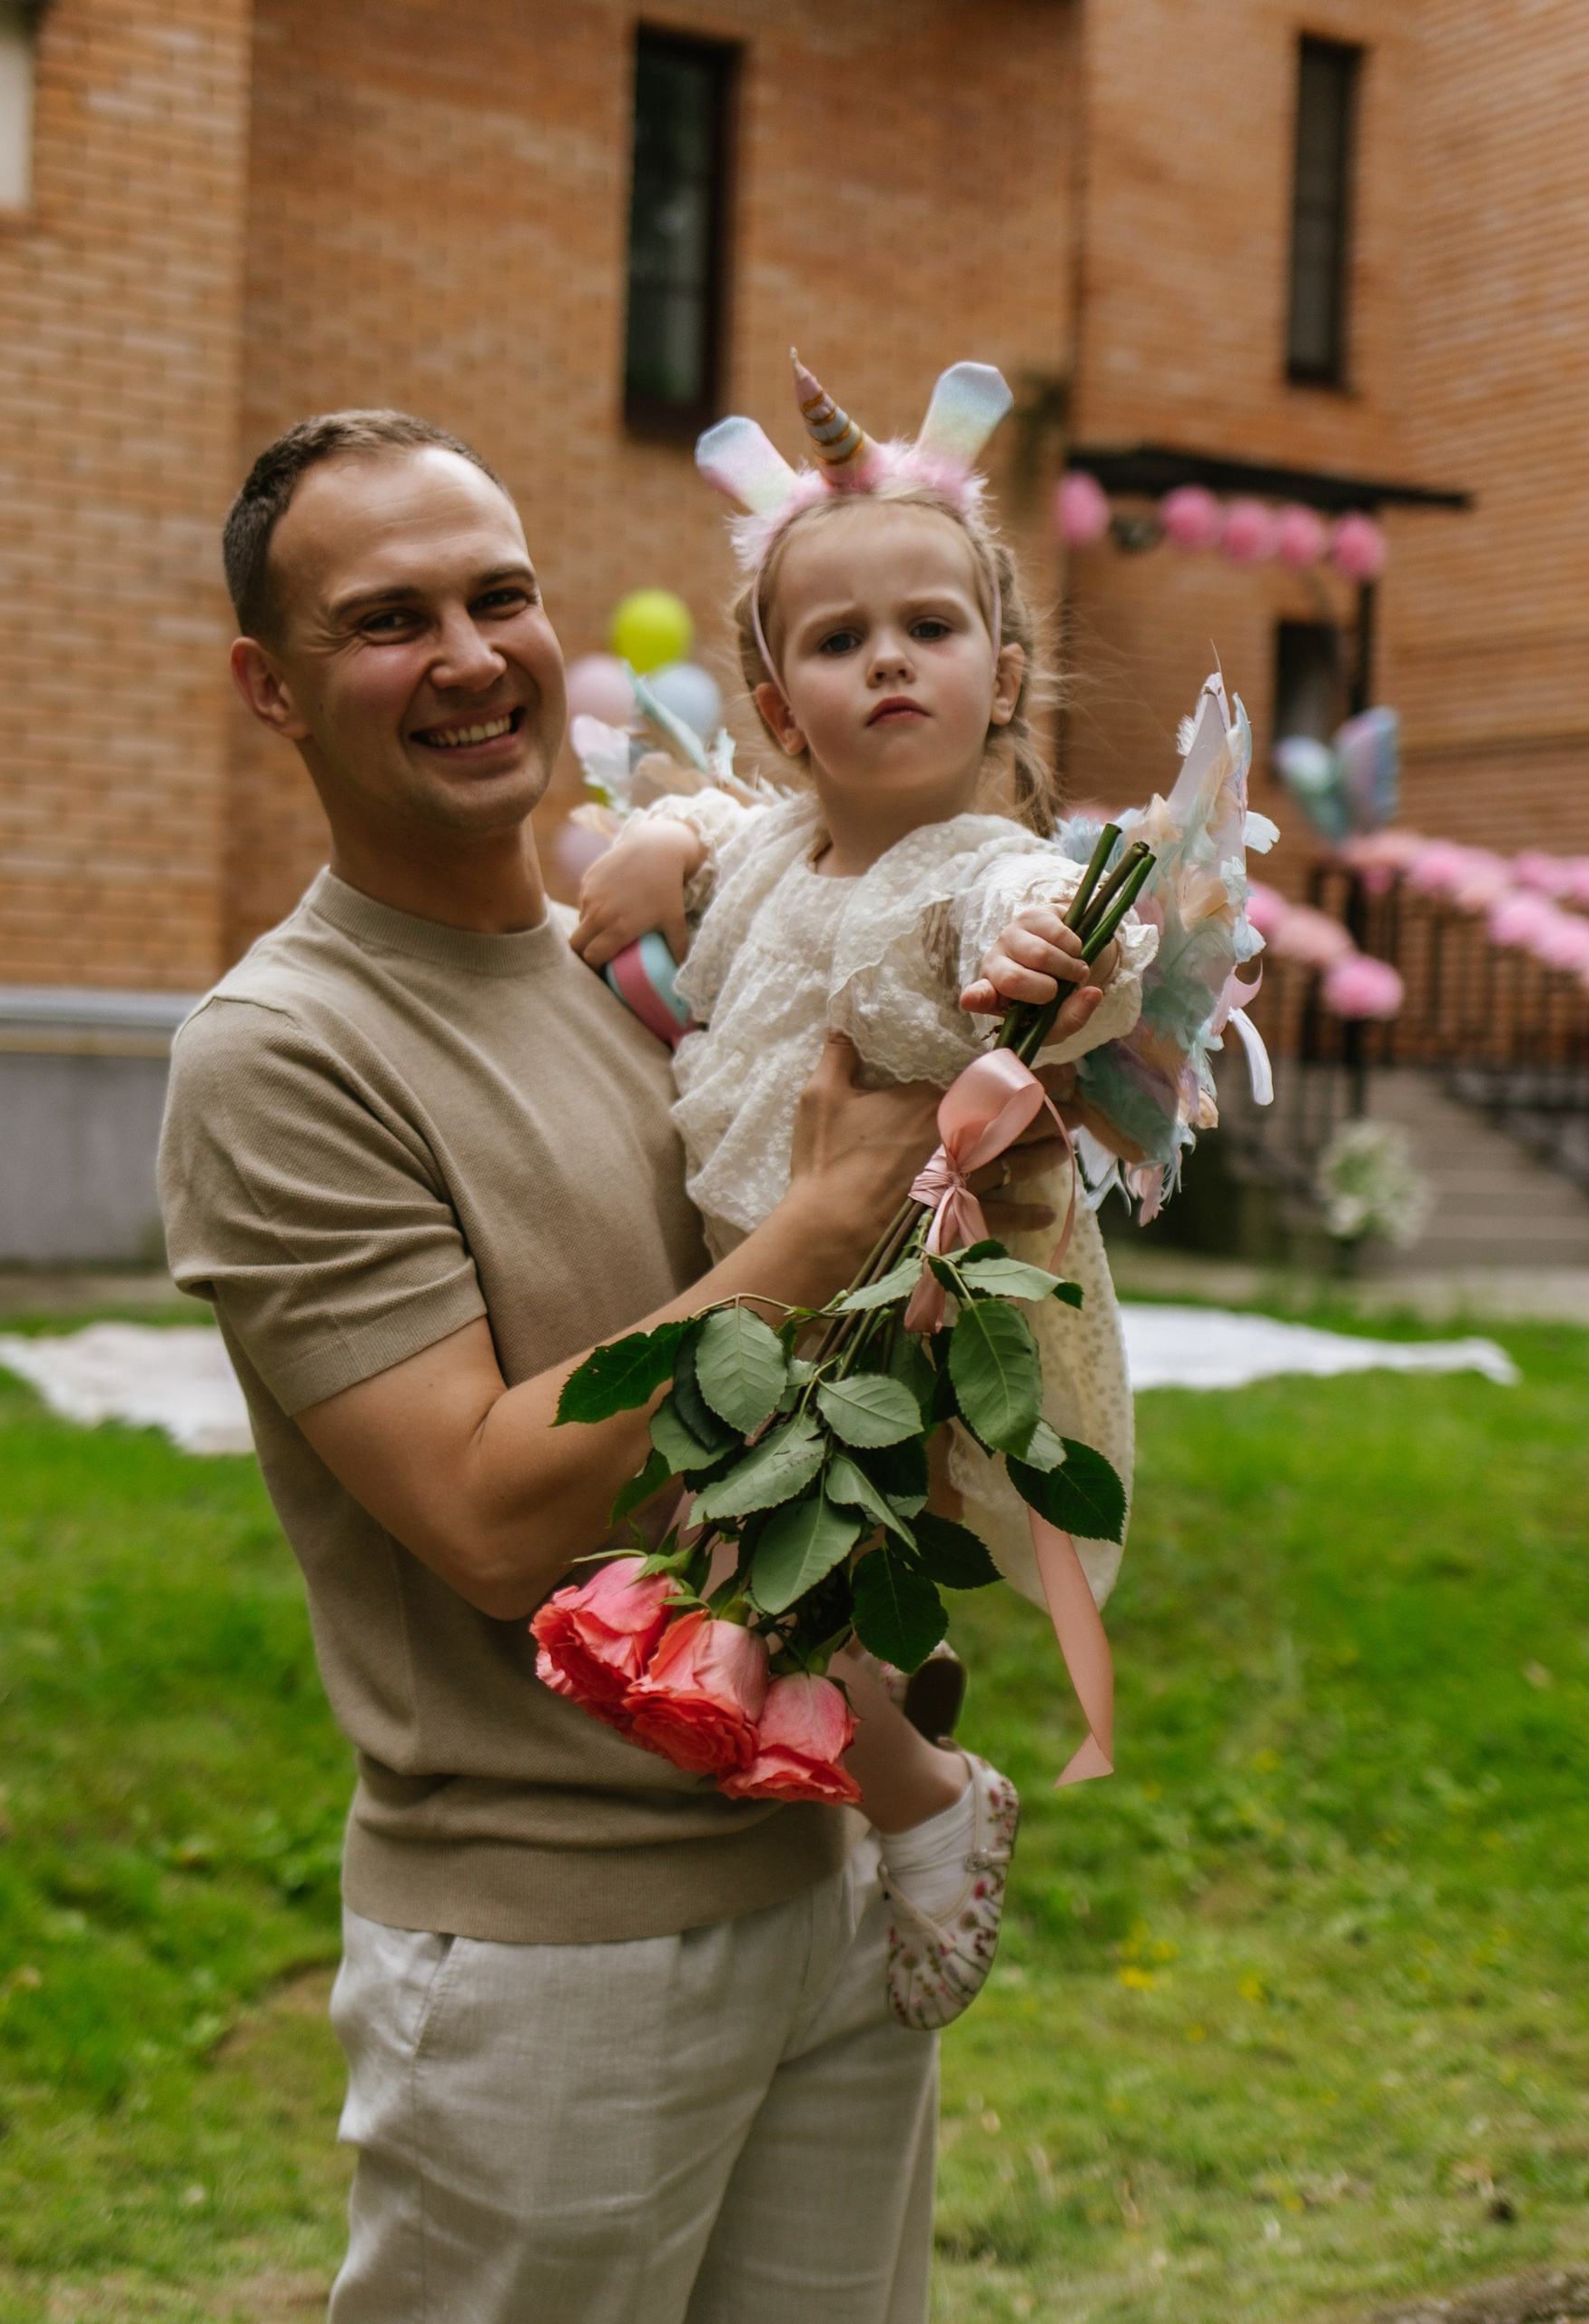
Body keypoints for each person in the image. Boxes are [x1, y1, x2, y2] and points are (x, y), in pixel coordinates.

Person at [157, 409, 1086, 2324]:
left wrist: (1008, 1167)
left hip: (821, 1872)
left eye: (497, 595)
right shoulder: (284, 1051)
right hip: (555, 1951)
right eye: (385, 619)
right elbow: (495, 1520)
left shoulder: (670, 976)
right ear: (272, 685)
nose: (471, 653)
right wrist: (819, 1224)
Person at [568, 360, 1152, 2025]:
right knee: (759, 1555)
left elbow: (1057, 939)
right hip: (761, 1270)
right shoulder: (762, 847)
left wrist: (1066, 954)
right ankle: (903, 1704)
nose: (887, 658)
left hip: (886, 1308)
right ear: (776, 708)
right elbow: (715, 822)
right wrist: (661, 840)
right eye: (836, 642)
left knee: (763, 1549)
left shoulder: (981, 876)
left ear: (1005, 677)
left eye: (929, 628)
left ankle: (931, 1814)